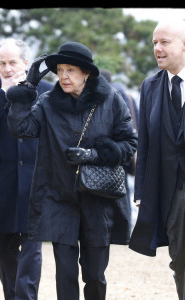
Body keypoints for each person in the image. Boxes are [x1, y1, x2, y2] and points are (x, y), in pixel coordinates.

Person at [6, 41, 138, 300]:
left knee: (94, 275)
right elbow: (20, 128)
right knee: (65, 273)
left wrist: (94, 155)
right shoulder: (47, 102)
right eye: (60, 70)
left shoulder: (111, 99)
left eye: (71, 70)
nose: (64, 76)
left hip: (98, 201)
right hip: (59, 198)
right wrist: (28, 87)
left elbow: (129, 143)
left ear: (86, 73)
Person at [0, 38, 53, 300]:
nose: (7, 68)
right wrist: (3, 94)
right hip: (1, 185)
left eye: (12, 62)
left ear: (26, 62)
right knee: (4, 252)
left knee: (32, 251)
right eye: (2, 63)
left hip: (37, 183)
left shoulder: (47, 91)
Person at [129, 20, 185, 300]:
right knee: (180, 258)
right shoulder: (150, 86)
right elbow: (146, 144)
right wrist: (140, 191)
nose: (158, 49)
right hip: (171, 191)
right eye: (154, 43)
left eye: (165, 42)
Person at [100, 69, 139, 203]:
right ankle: (126, 221)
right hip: (128, 149)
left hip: (112, 152)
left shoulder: (106, 96)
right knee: (124, 190)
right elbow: (138, 122)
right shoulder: (128, 95)